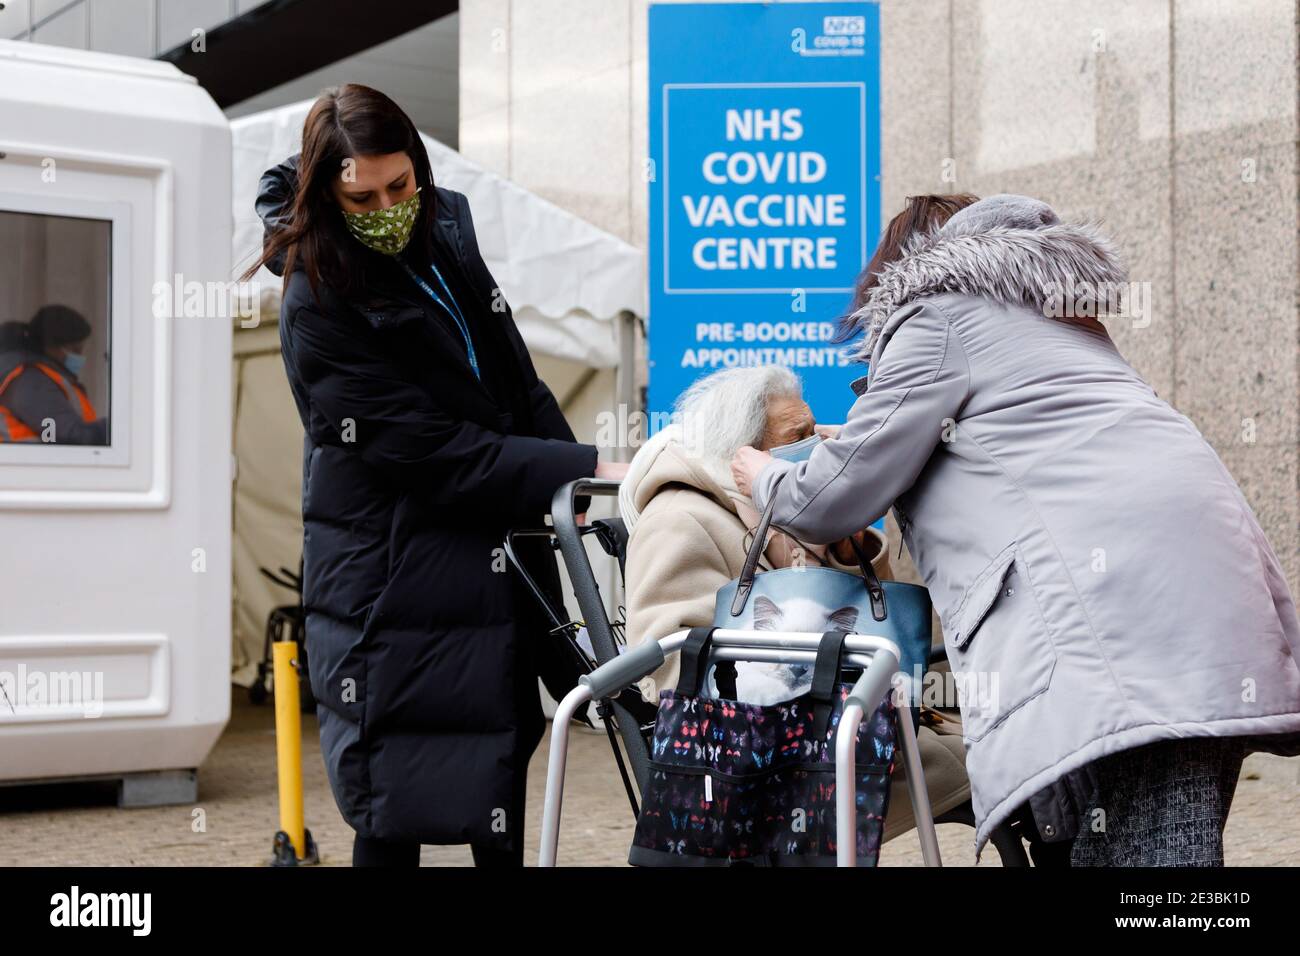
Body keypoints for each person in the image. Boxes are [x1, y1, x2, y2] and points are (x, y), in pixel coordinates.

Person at [731, 193, 1300, 866]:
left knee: (1148, 865)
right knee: (1140, 848)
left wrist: (761, 475)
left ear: (906, 266)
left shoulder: (936, 312)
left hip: (1123, 617)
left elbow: (831, 497)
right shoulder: (1056, 319)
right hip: (1202, 599)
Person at [245, 84, 627, 867]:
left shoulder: (447, 228)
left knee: (496, 755)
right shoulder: (316, 296)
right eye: (362, 198)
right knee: (395, 792)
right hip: (388, 575)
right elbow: (435, 452)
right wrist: (586, 463)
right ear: (327, 193)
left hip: (484, 551)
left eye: (399, 186)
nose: (386, 207)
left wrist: (578, 492)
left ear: (418, 168)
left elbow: (514, 381)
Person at [620, 364, 972, 844]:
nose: (817, 445)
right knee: (1004, 773)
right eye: (799, 435)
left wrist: (848, 555)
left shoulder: (775, 507)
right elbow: (670, 661)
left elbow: (875, 621)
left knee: (1015, 765)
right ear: (742, 451)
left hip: (848, 727)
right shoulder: (679, 519)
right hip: (776, 756)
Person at [0, 304, 106, 445]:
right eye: (75, 349)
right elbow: (68, 435)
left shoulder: (39, 377)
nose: (80, 356)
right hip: (31, 466)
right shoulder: (31, 383)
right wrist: (120, 427)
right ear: (52, 346)